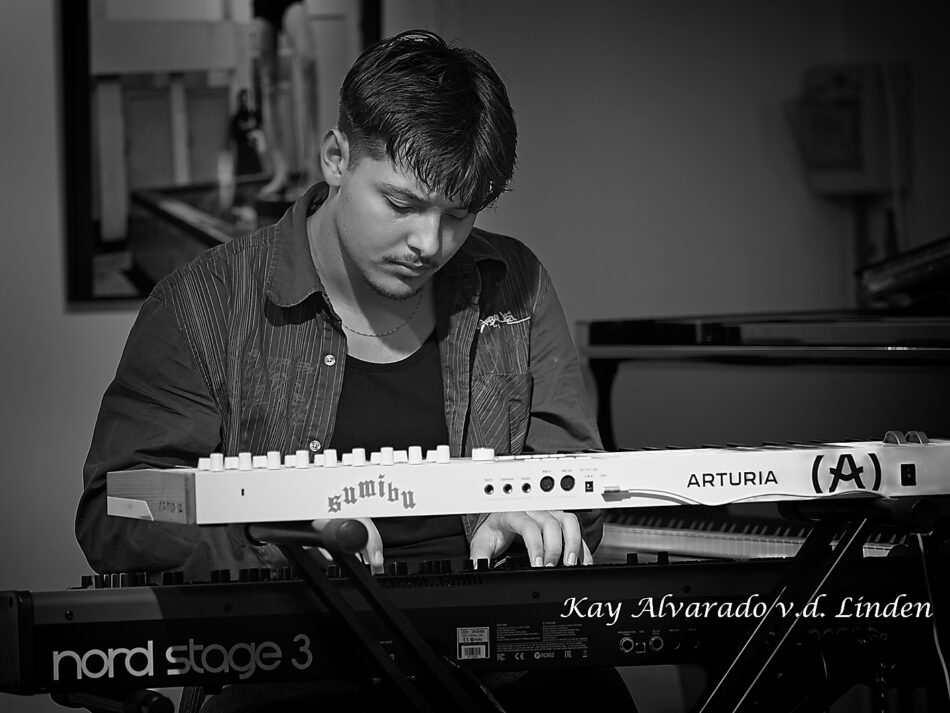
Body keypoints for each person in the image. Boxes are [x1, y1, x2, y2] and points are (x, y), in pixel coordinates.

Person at [77, 30, 634, 712]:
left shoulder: (512, 282)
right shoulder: (203, 303)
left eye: (458, 215)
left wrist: (537, 514)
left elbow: (577, 479)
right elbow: (117, 510)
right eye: (402, 204)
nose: (429, 243)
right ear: (336, 158)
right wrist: (277, 536)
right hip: (295, 663)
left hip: (504, 661)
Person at [252, 0, 320, 197]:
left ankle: (312, 163)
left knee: (307, 60)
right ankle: (280, 170)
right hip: (263, 6)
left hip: (290, 1)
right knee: (267, 81)